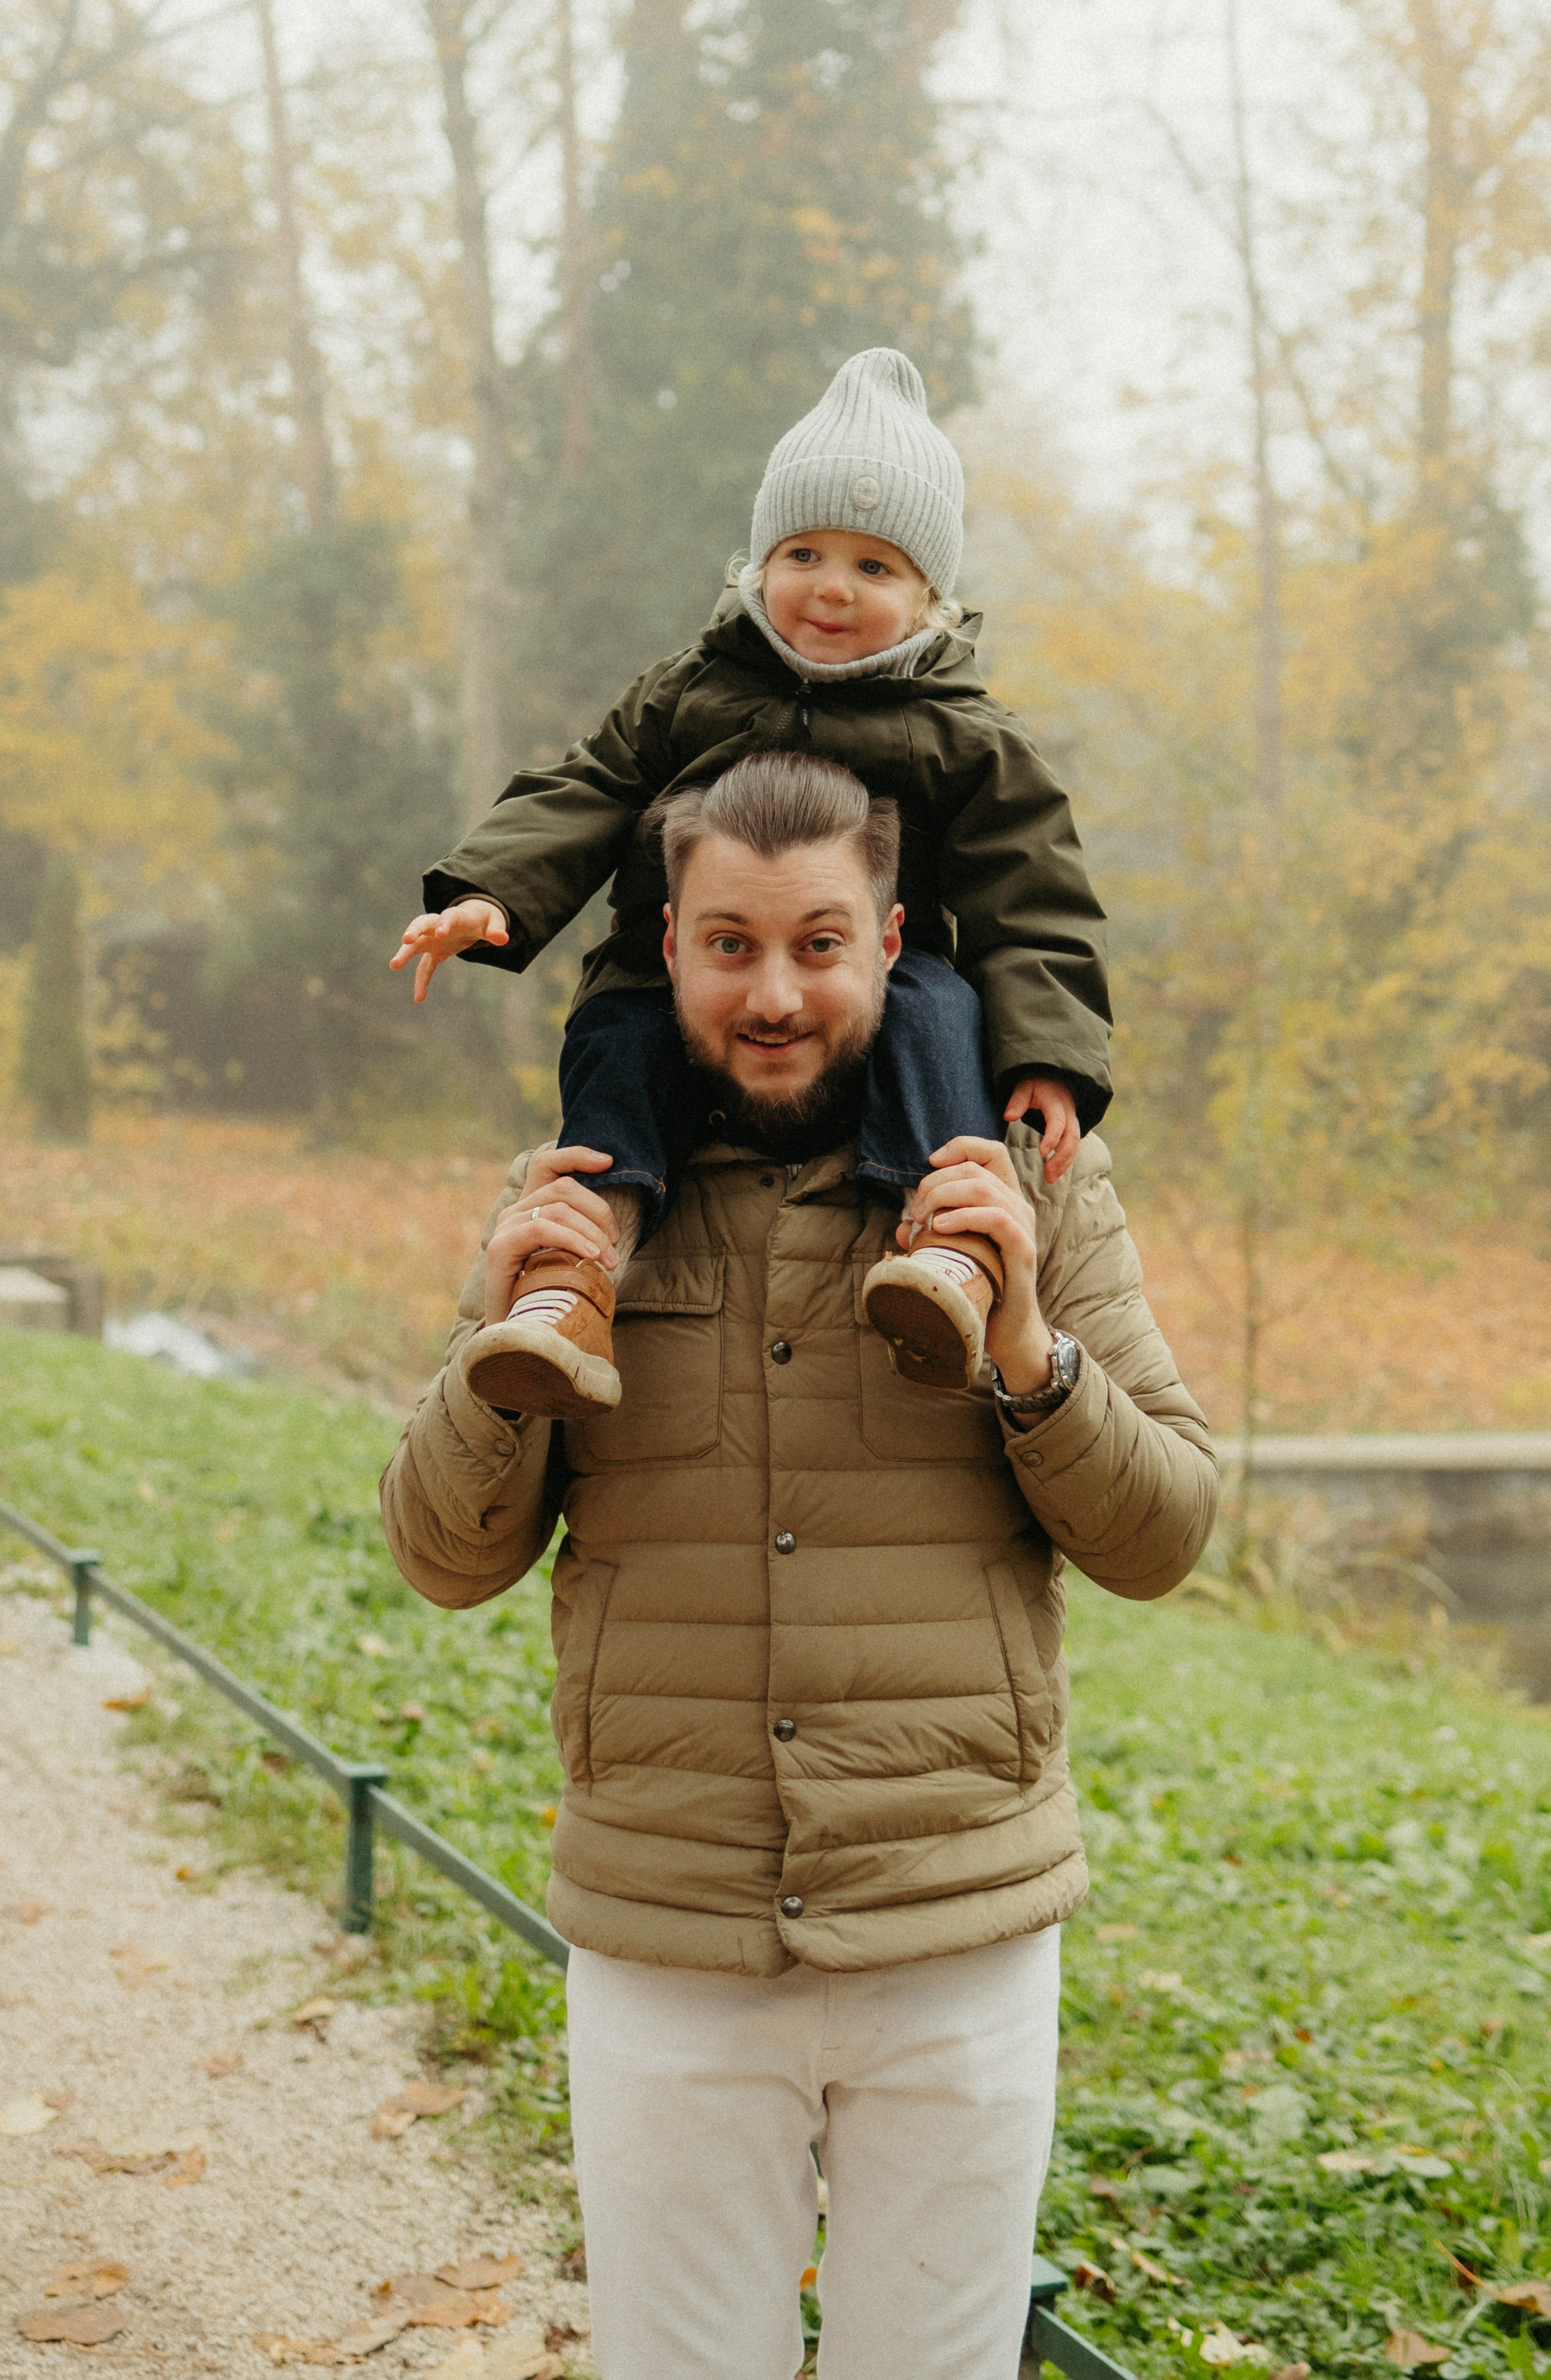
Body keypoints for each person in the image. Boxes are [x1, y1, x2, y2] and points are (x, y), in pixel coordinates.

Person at [381, 751, 1217, 2380]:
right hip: (668, 1939)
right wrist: (496, 1342)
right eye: (730, 944)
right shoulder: (576, 1205)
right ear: (668, 947)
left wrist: (1031, 1351)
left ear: (890, 940)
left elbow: (1166, 1532)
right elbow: (440, 1560)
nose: (774, 993)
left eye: (819, 945)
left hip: (956, 1933)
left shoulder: (1028, 1183)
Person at [389, 347, 1112, 1419]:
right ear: (756, 561)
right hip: (674, 969)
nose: (830, 587)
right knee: (612, 1042)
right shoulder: (694, 687)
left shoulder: (967, 737)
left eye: (875, 569)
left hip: (878, 977)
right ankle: (575, 1278)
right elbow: (590, 785)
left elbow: (1035, 896)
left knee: (940, 1017)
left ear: (929, 603)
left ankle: (950, 1251)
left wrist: (1049, 1055)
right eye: (805, 552)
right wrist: (493, 892)